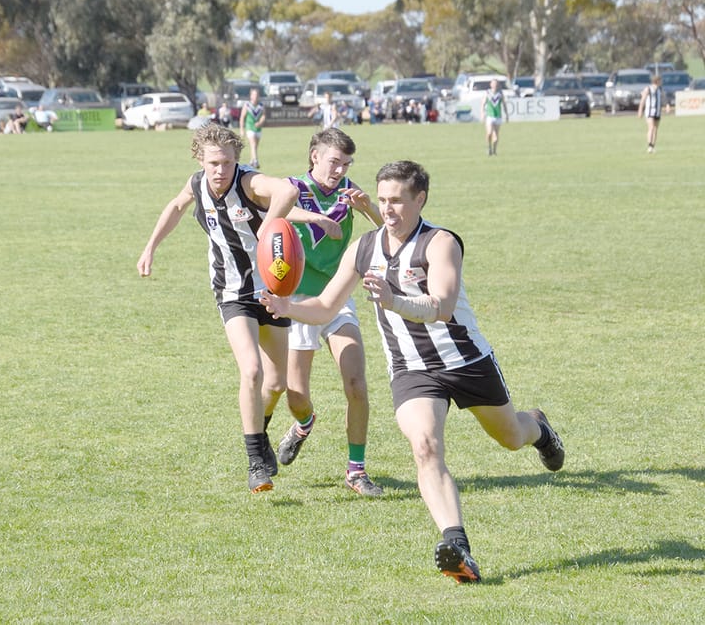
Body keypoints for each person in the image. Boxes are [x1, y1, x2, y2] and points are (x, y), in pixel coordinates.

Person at [261, 160, 565, 583]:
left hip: (465, 360)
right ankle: (457, 546)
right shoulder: (364, 248)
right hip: (411, 369)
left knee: (511, 436)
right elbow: (327, 306)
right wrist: (287, 306)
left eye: (398, 201)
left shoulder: (440, 243)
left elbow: (442, 305)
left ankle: (540, 429)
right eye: (383, 200)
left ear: (420, 199)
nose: (388, 209)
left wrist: (394, 300)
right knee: (425, 447)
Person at [137, 122, 300, 494]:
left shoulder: (249, 183)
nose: (220, 170)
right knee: (252, 370)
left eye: (227, 162)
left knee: (276, 383)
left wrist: (268, 225)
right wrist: (150, 248)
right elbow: (176, 206)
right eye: (213, 163)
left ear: (236, 160)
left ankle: (261, 434)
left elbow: (288, 190)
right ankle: (255, 461)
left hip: (272, 291)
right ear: (200, 160)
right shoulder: (197, 184)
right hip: (231, 291)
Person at [268, 127, 385, 497]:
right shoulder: (293, 188)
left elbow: (390, 230)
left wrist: (368, 207)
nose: (340, 170)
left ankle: (356, 470)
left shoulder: (349, 190)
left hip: (336, 297)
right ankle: (304, 424)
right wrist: (316, 219)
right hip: (297, 300)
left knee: (356, 383)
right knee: (296, 395)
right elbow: (272, 217)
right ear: (315, 156)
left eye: (346, 163)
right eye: (335, 161)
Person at [239, 88, 265, 168]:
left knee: (255, 146)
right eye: (253, 94)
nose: (255, 96)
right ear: (251, 96)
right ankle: (256, 161)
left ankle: (252, 160)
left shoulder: (261, 105)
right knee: (253, 144)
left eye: (256, 95)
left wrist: (260, 122)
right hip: (249, 127)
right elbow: (242, 117)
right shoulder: (247, 105)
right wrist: (242, 129)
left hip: (258, 129)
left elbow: (264, 116)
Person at [481, 79, 508, 156]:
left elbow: (504, 104)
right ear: (491, 84)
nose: (495, 85)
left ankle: (494, 150)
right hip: (489, 116)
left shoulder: (500, 93)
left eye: (496, 84)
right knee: (489, 133)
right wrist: (482, 113)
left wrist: (506, 114)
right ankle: (489, 147)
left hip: (498, 116)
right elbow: (483, 103)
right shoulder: (487, 93)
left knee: (495, 136)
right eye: (493, 83)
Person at [638, 75, 663, 153]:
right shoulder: (648, 89)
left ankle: (653, 146)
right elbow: (643, 100)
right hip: (650, 111)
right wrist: (640, 110)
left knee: (655, 129)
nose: (661, 82)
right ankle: (649, 145)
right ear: (657, 81)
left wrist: (667, 105)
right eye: (660, 80)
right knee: (651, 127)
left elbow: (663, 98)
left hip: (657, 111)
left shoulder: (660, 89)